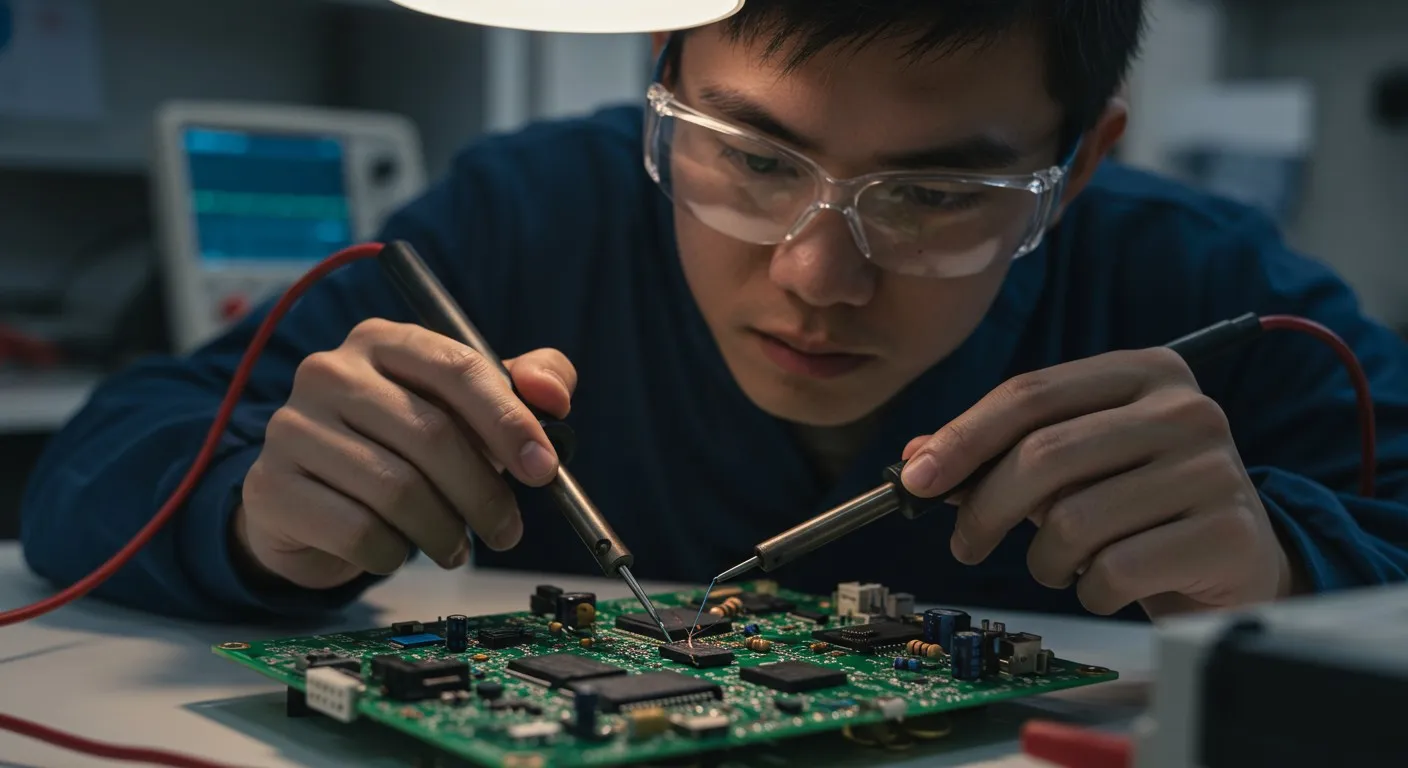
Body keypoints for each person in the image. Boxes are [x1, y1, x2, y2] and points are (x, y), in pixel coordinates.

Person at [18, 1, 1408, 624]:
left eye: (932, 196)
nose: (819, 279)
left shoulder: (1194, 282)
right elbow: (110, 455)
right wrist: (257, 518)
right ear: (658, 84)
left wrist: (1289, 568)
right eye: (752, 160)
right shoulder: (525, 216)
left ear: (1080, 165)